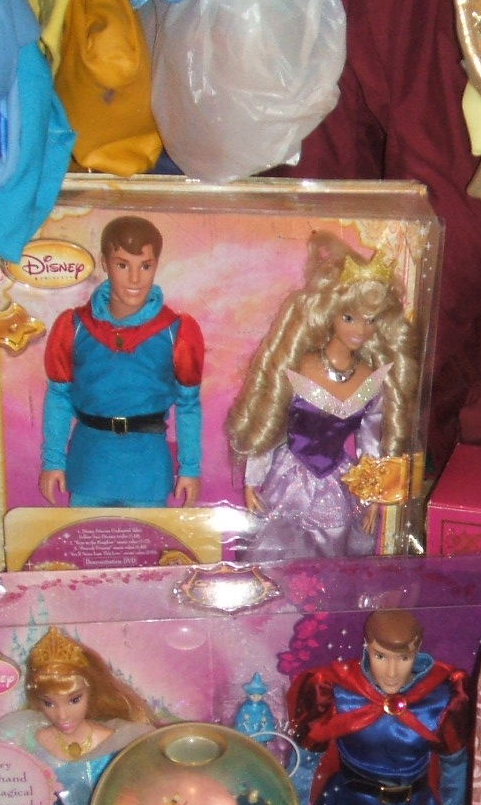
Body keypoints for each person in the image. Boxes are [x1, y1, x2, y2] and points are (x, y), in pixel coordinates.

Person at [227, 230, 419, 561]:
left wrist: (374, 496)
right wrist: (252, 479)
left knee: (333, 546)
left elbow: (372, 441)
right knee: (277, 549)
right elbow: (271, 420)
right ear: (330, 314)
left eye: (370, 320)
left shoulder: (372, 381)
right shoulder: (299, 366)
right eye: (349, 317)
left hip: (337, 480)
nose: (360, 329)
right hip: (289, 477)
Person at [288, 608, 472, 805]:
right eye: (380, 656)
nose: (391, 672)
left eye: (404, 658)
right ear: (366, 648)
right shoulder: (338, 691)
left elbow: (454, 764)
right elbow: (305, 761)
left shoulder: (441, 698)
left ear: (418, 650)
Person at [39, 213, 204, 508]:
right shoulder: (74, 326)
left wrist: (190, 468)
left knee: (149, 536)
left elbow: (189, 404)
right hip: (90, 464)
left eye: (146, 266)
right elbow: (59, 396)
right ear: (105, 263)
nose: (135, 279)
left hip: (148, 468)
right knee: (86, 535)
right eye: (122, 265)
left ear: (156, 265)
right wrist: (53, 461)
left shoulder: (177, 331)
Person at [0, 628, 153, 805]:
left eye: (74, 700)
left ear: (92, 692)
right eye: (49, 703)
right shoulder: (26, 740)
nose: (62, 715)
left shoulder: (123, 740)